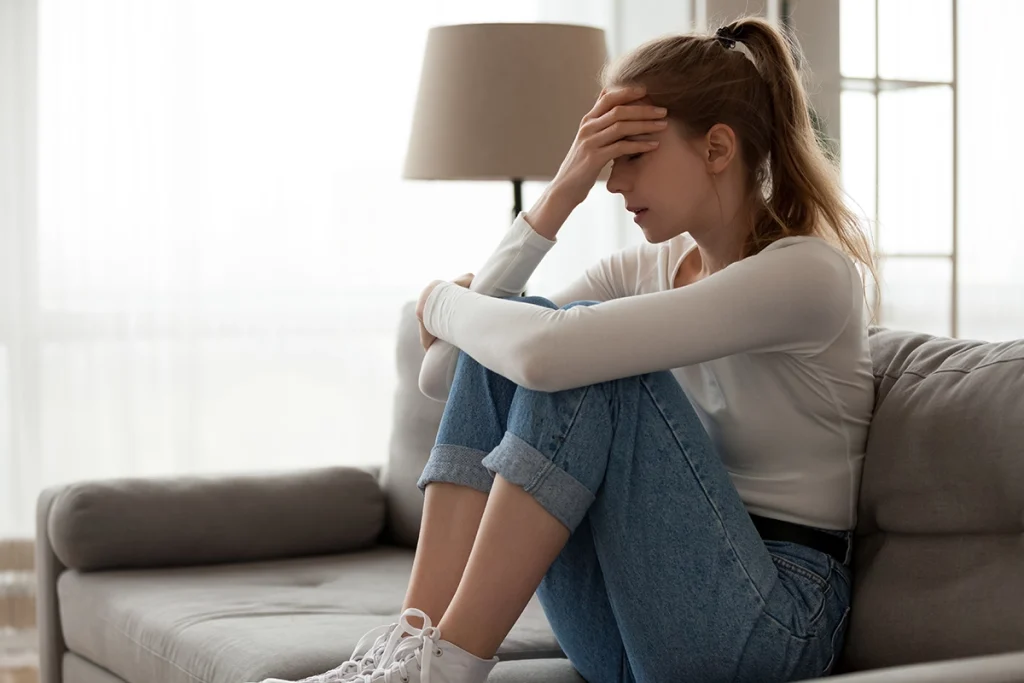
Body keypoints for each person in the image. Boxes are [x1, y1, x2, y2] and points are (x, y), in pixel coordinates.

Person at [261, 15, 877, 683]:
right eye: (602, 162)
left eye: (631, 156)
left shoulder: (808, 275)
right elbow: (445, 371)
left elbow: (547, 354)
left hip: (771, 621)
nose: (612, 185)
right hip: (631, 614)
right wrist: (560, 191)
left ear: (718, 148)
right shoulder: (639, 273)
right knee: (540, 334)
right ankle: (405, 653)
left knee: (585, 356)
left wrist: (443, 300)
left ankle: (447, 669)